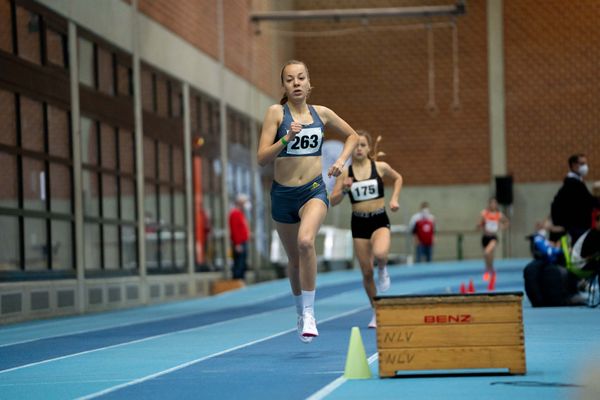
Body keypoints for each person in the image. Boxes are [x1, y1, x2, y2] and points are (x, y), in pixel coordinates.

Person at [257, 60, 359, 343]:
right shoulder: (276, 113)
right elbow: (262, 157)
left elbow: (352, 135)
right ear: (284, 86)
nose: (296, 83)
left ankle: (311, 313)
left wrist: (340, 161)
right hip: (283, 194)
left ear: (309, 82)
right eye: (290, 79)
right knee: (292, 261)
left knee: (305, 242)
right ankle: (300, 309)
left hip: (313, 191)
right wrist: (286, 139)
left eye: (301, 78)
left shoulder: (322, 113)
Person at [330, 130, 403, 329]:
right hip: (359, 223)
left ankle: (383, 268)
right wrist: (344, 189)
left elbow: (398, 178)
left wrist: (394, 199)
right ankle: (375, 311)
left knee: (380, 253)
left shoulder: (379, 167)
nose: (359, 149)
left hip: (379, 219)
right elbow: (333, 200)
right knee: (366, 272)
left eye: (362, 145)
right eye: (355, 146)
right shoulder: (345, 173)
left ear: (369, 148)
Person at [551, 154, 600, 243]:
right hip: (577, 226)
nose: (585, 166)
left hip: (577, 225)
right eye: (582, 163)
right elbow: (588, 202)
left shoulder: (576, 181)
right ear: (573, 165)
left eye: (586, 163)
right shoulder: (573, 183)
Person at [477, 197, 509, 291]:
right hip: (485, 237)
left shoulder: (499, 214)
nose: (493, 205)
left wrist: (503, 226)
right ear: (489, 204)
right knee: (488, 256)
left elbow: (507, 222)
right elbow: (480, 223)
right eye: (491, 203)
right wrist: (480, 225)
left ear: (496, 205)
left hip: (493, 237)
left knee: (487, 252)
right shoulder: (484, 213)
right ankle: (489, 269)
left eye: (495, 203)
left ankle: (490, 270)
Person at [228, 194, 250, 280]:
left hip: (243, 242)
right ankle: (237, 281)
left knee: (242, 264)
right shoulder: (234, 213)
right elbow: (235, 230)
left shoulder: (240, 213)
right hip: (239, 243)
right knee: (239, 264)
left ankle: (241, 281)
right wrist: (237, 244)